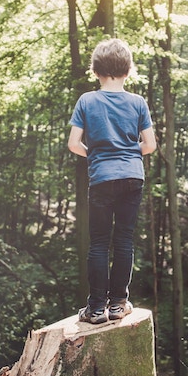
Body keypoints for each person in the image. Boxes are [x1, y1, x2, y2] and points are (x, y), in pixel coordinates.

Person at [68, 38, 157, 324]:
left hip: (102, 179)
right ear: (128, 71)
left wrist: (95, 155)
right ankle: (119, 304)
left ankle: (96, 309)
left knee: (98, 243)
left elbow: (73, 144)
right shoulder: (138, 102)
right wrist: (129, 153)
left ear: (95, 71)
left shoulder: (87, 101)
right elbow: (150, 145)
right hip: (133, 177)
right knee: (124, 241)